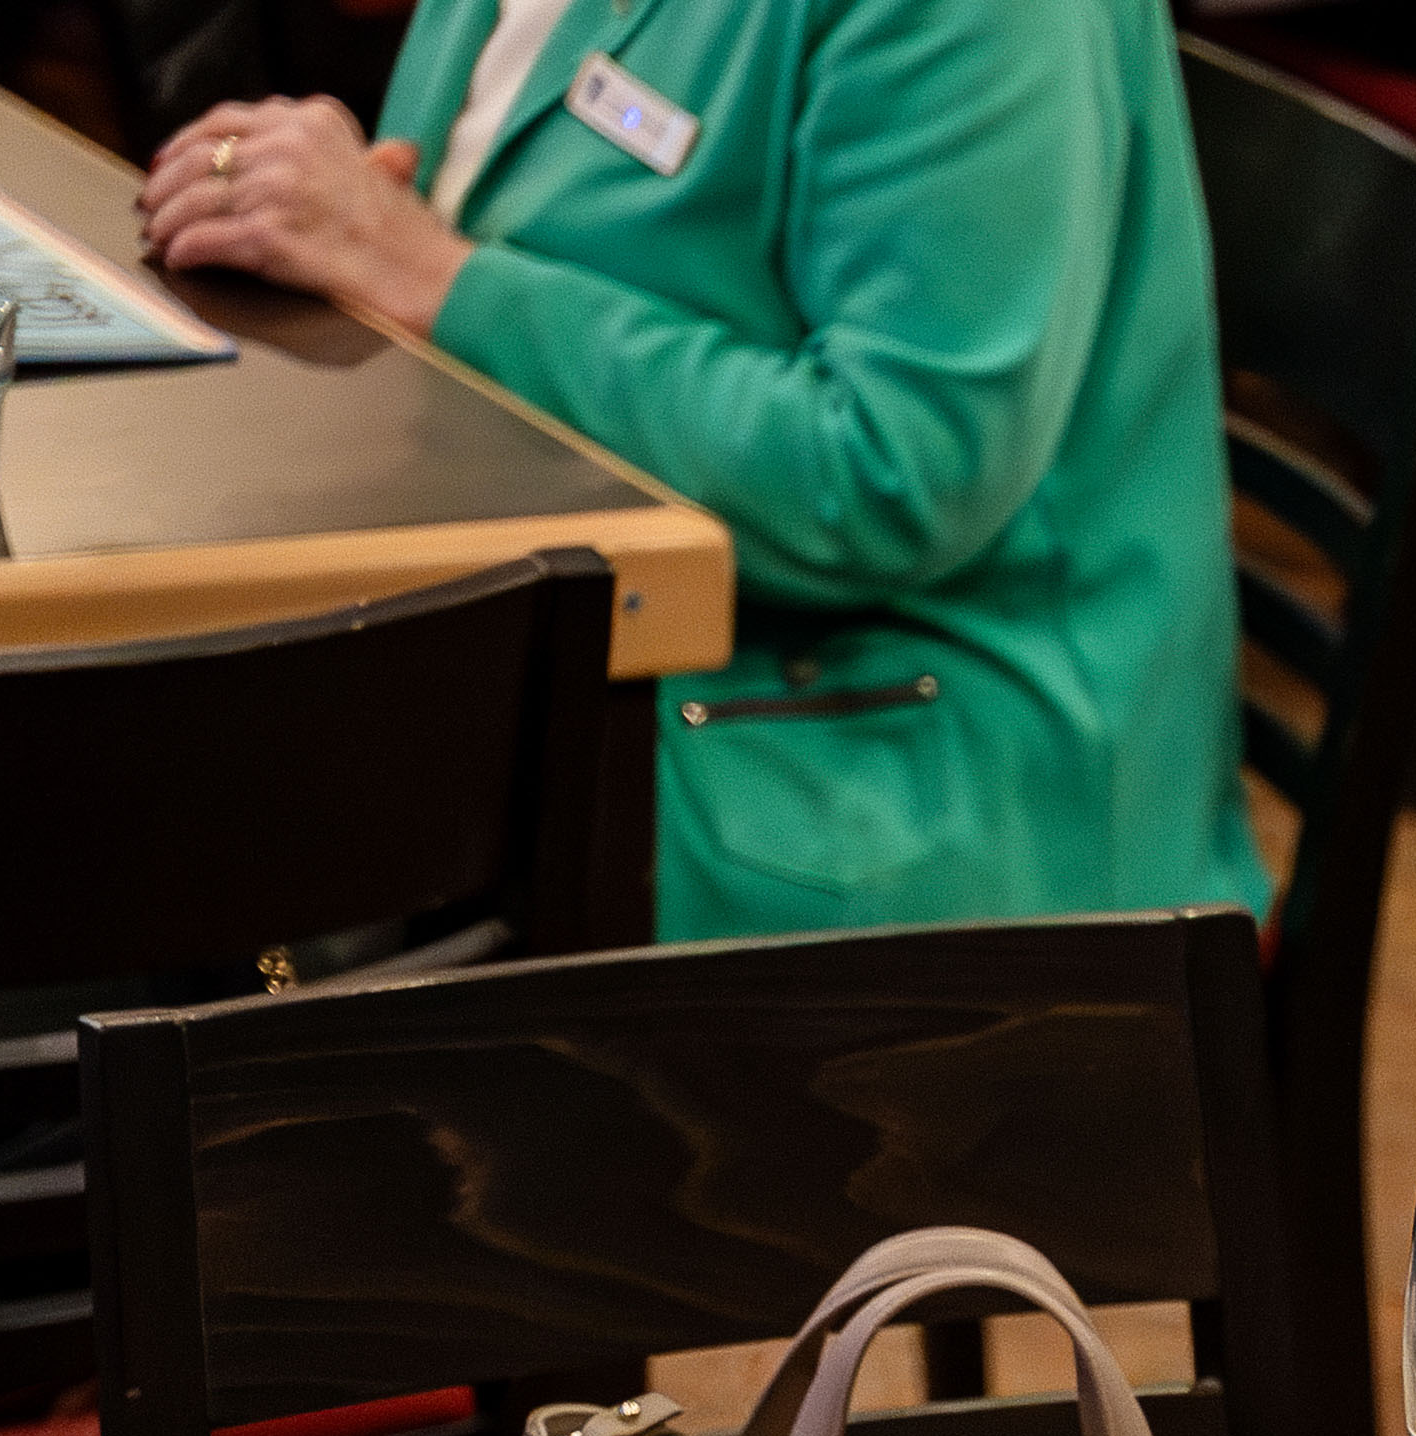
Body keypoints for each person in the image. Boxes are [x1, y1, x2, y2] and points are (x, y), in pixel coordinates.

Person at [135, 0, 1269, 945]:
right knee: (160, 736)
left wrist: (428, 272)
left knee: (198, 796)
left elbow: (889, 474)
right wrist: (333, 213)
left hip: (904, 749)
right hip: (603, 623)